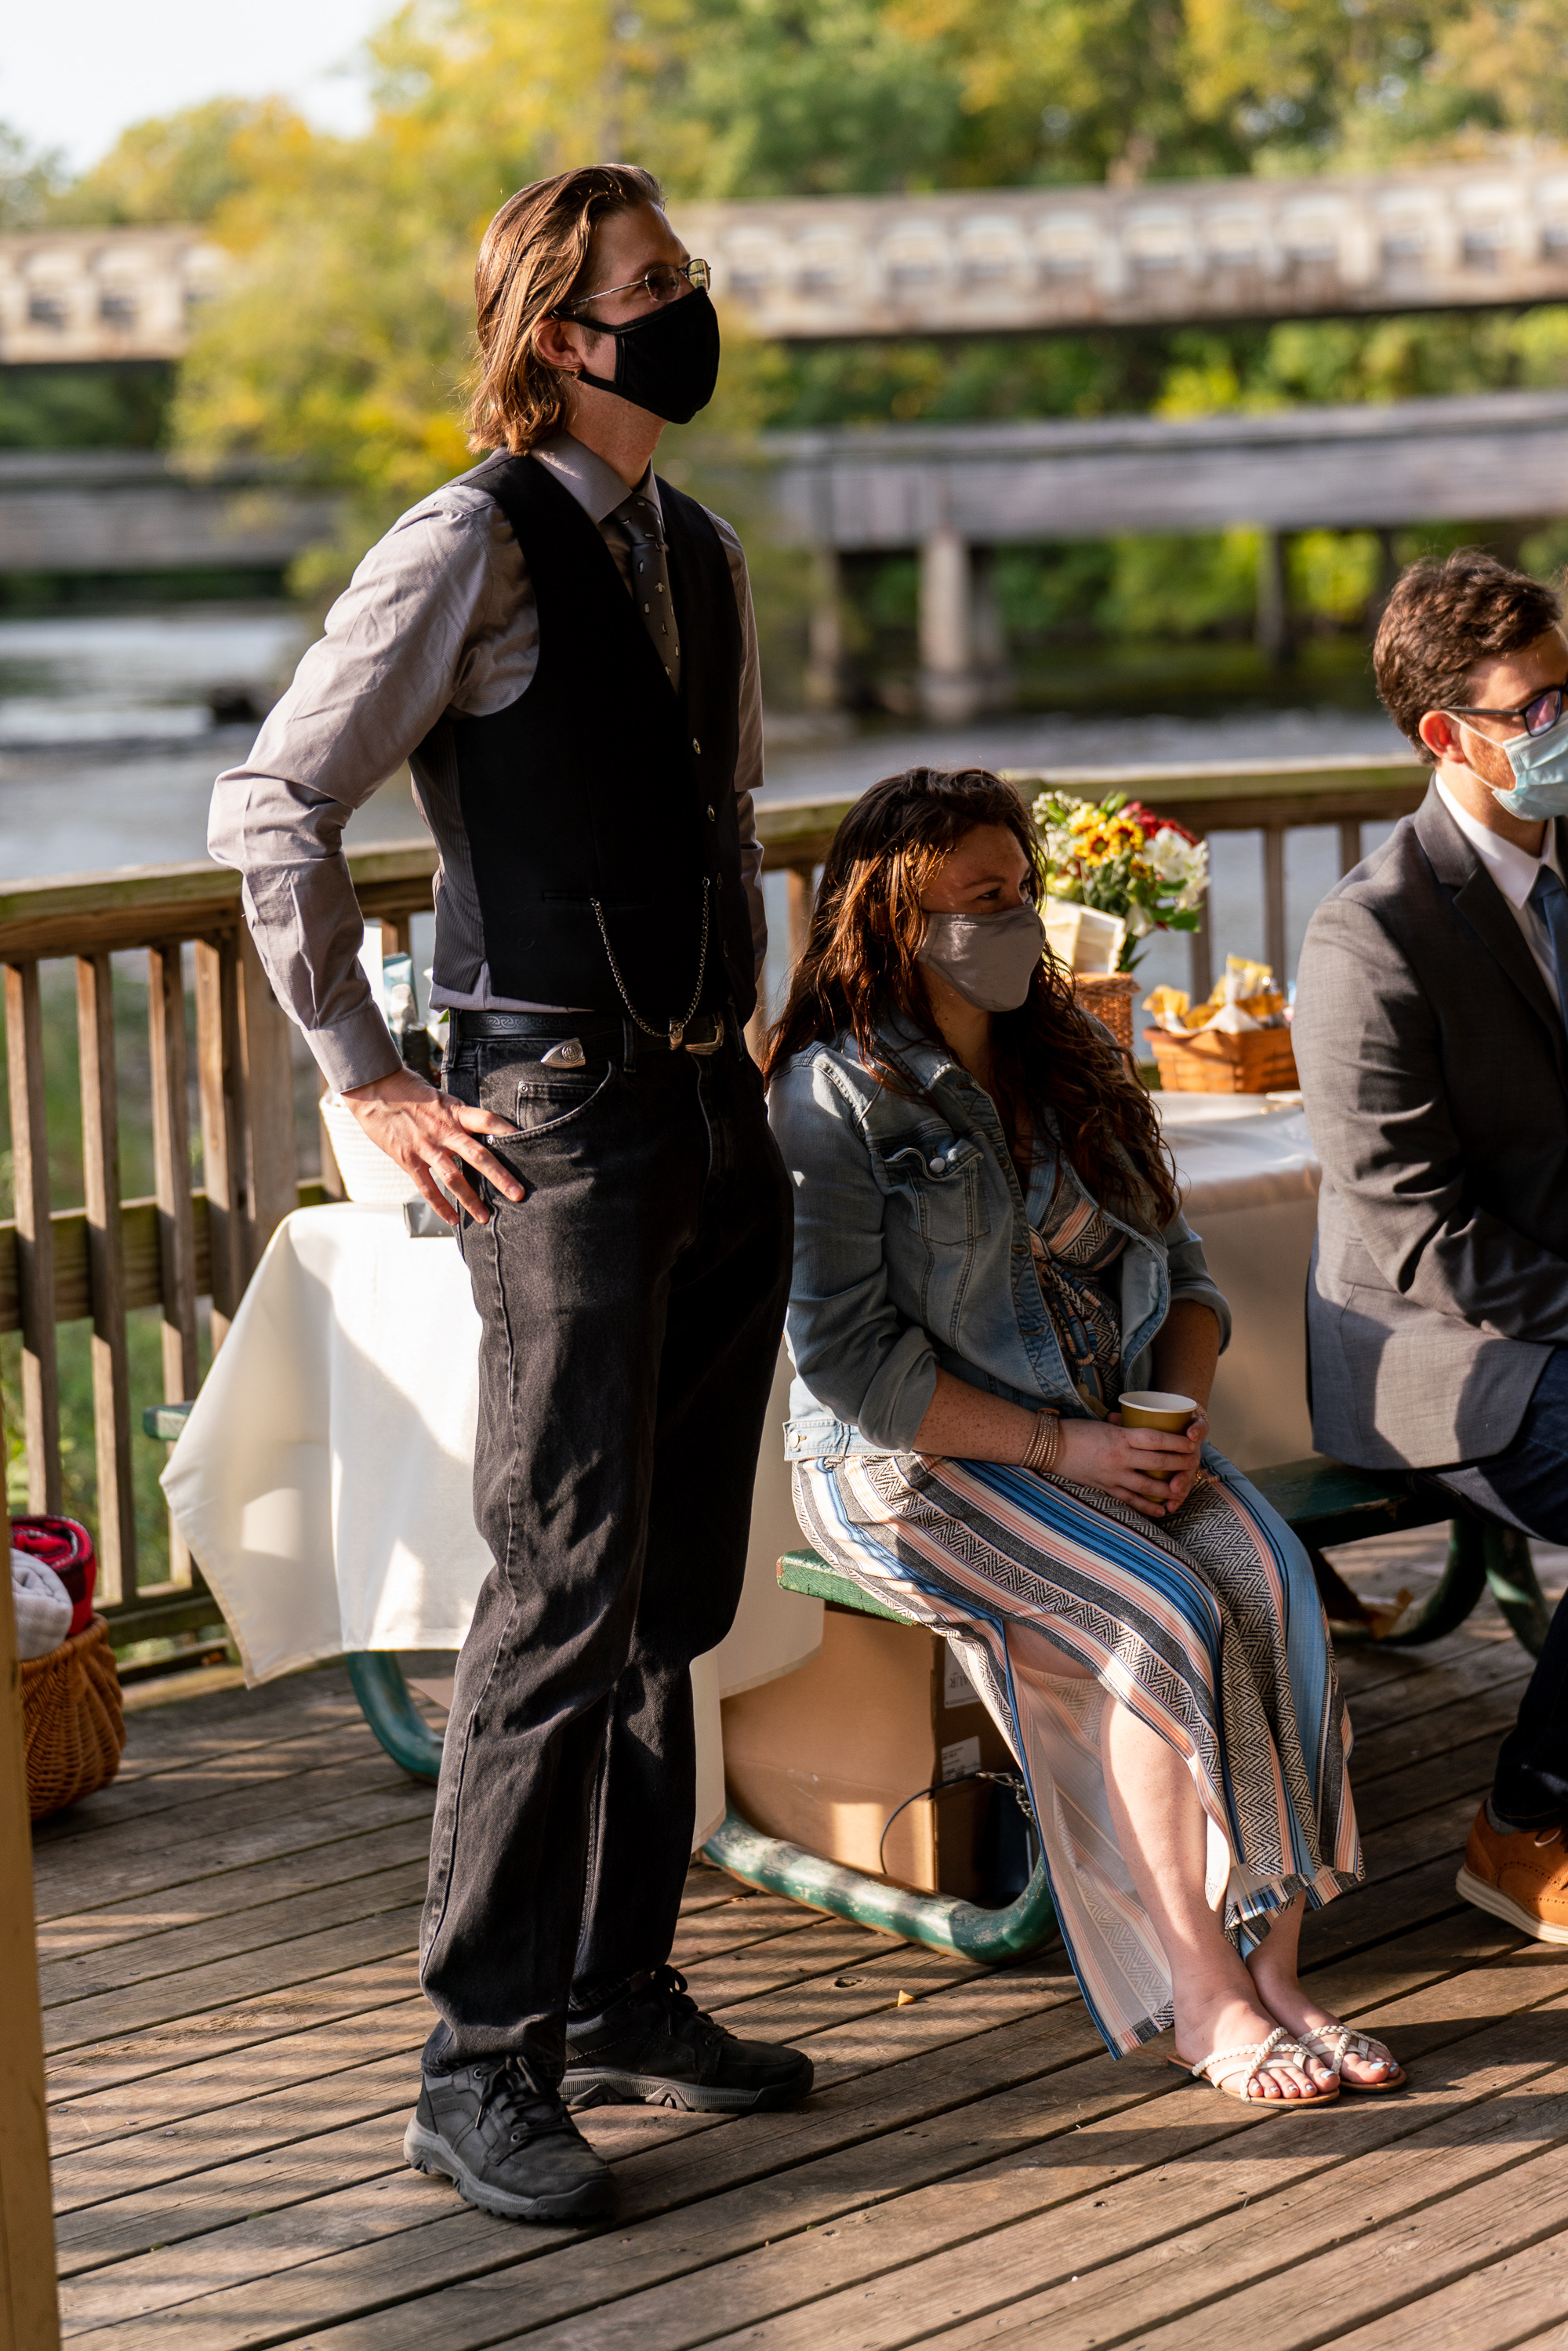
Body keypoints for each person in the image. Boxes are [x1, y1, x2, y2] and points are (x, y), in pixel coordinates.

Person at [209, 163, 807, 2229]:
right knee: (559, 1588)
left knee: (675, 1595)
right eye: (656, 281)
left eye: (688, 271)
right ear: (564, 329)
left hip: (710, 1108)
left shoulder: (702, 549)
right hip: (553, 1114)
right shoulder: (466, 539)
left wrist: (750, 1034)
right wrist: (368, 1075)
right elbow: (277, 801)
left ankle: (622, 1986)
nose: (691, 301)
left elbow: (723, 810)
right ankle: (477, 2067)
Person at [765, 765, 1401, 2105]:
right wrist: (1069, 1453)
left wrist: (1176, 1412)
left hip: (1102, 1430)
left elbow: (1190, 1276)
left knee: (1273, 1583)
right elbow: (853, 1365)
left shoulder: (1073, 1059)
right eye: (982, 898)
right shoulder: (834, 1094)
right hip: (910, 1465)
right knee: (1159, 1614)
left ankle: (1279, 1965)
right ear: (897, 918)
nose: (1017, 920)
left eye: (1023, 891)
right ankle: (1202, 1991)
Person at [1294, 547, 1568, 1950]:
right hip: (1439, 1357)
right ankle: (1526, 1820)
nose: (1565, 725)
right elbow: (1419, 1232)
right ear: (1447, 735)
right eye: (1539, 710)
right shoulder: (1371, 935)